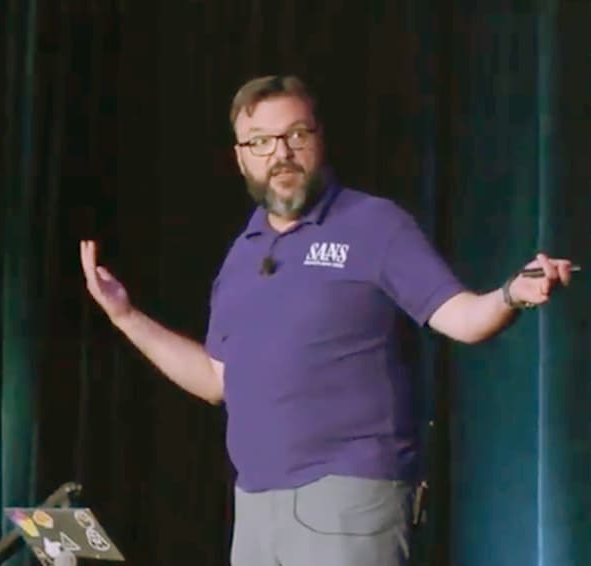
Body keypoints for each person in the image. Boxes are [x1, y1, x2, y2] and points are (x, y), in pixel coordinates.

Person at [78, 75, 574, 566]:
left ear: (319, 139)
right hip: (255, 508)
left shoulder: (373, 224)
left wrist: (512, 294)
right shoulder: (240, 256)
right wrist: (125, 317)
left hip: (348, 498)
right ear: (241, 157)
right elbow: (217, 380)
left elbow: (463, 318)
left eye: (296, 135)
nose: (281, 154)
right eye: (261, 142)